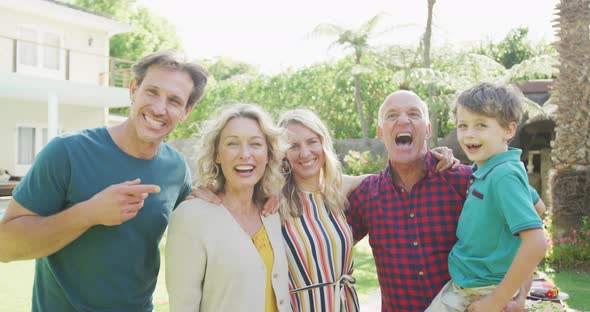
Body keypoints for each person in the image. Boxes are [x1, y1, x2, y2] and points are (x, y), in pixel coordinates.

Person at [0, 50, 208, 311]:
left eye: (174, 101)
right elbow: (5, 246)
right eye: (152, 92)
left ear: (186, 111)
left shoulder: (176, 168)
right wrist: (89, 213)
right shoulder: (67, 152)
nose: (159, 108)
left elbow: (195, 223)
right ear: (133, 89)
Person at [347, 89, 544, 312]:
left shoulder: (467, 180)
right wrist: (331, 182)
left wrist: (517, 296)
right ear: (381, 133)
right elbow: (331, 244)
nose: (403, 120)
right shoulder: (366, 196)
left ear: (428, 130)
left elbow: (532, 225)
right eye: (392, 115)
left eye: (413, 114)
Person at [426, 82, 548, 312]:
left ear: (509, 130)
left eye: (481, 125)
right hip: (469, 286)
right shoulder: (498, 169)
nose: (469, 134)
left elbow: (536, 241)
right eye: (463, 125)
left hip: (479, 293)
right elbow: (538, 209)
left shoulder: (503, 176)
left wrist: (496, 301)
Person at [165, 103, 290, 312]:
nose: (245, 154)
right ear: (217, 154)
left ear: (268, 154)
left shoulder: (272, 212)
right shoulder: (191, 217)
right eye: (232, 144)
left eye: (256, 144)